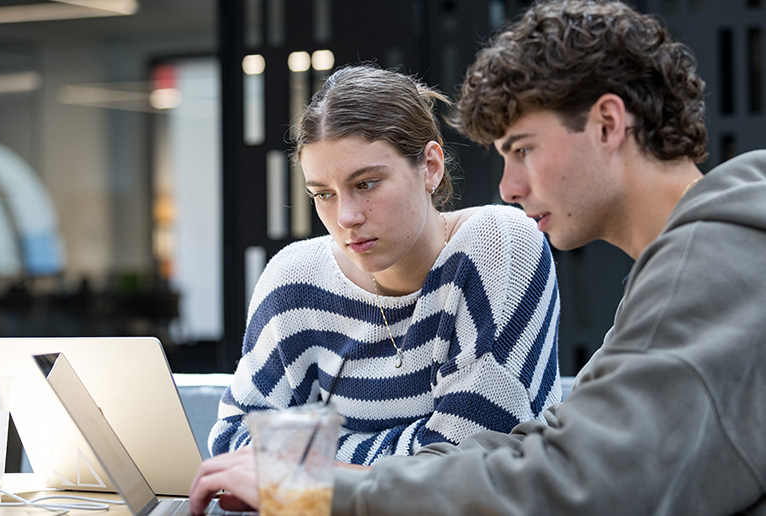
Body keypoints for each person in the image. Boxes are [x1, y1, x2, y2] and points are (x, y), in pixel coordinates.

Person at [189, 1, 766, 514]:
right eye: (322, 194)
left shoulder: (714, 261)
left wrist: (314, 484)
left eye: (522, 150)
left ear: (609, 124)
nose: (509, 185)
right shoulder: (687, 264)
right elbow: (547, 449)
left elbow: (571, 482)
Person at [207, 64, 563, 467]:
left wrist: (310, 458)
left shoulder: (498, 243)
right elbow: (234, 440)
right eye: (323, 194)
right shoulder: (295, 279)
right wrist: (398, 455)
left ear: (430, 166)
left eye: (366, 184)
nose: (346, 217)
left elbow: (469, 456)